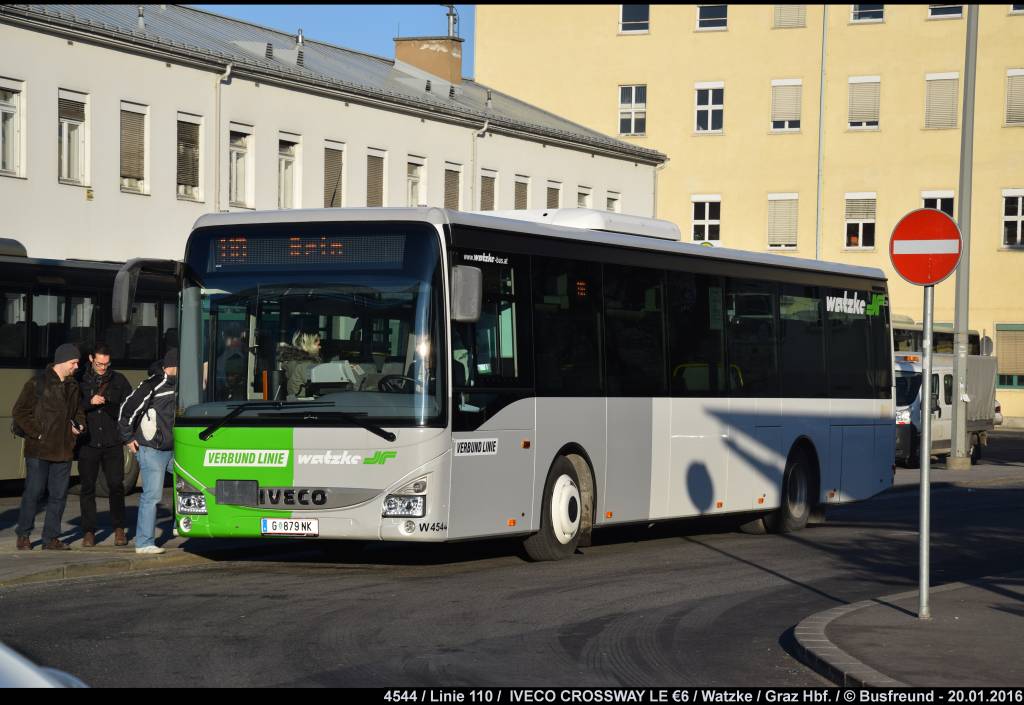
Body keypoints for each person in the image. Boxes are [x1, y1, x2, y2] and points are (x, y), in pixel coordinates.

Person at [13, 343, 87, 551]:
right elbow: (19, 411)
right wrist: (37, 432)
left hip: (64, 449)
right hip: (39, 449)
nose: (76, 366)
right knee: (34, 493)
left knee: (58, 496)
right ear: (63, 361)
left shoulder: (73, 386)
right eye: (74, 362)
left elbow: (78, 412)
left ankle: (51, 538)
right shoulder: (37, 383)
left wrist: (79, 426)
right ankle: (24, 534)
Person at [118, 348, 177, 555]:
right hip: (153, 449)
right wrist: (127, 437)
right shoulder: (153, 385)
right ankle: (144, 543)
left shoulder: (184, 385)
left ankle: (180, 524)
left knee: (188, 485)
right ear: (171, 367)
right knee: (151, 496)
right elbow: (127, 409)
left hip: (176, 449)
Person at [76, 343, 132, 548]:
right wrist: (90, 401)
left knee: (116, 486)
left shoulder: (119, 380)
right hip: (88, 442)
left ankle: (119, 529)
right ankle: (89, 532)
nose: (103, 367)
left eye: (106, 364)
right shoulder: (80, 379)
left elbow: (128, 410)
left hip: (112, 442)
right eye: (99, 364)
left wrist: (107, 401)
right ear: (91, 359)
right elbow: (73, 407)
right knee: (87, 488)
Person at [279, 331, 322, 398]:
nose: (320, 347)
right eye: (317, 344)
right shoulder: (307, 365)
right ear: (307, 345)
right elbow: (322, 387)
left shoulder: (292, 363)